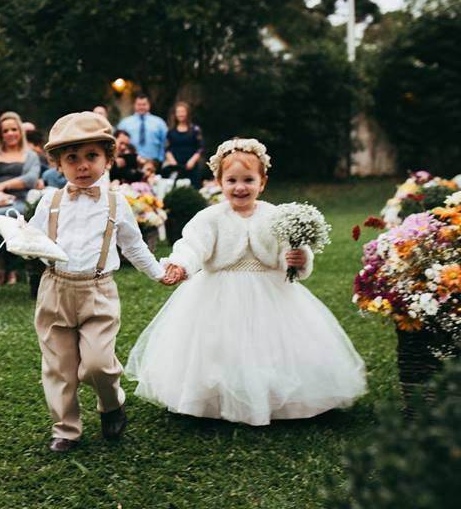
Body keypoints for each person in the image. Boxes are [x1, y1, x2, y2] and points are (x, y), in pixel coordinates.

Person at [125, 138, 366, 425]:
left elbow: (289, 251)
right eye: (232, 180)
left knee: (271, 346)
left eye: (248, 180)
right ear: (219, 182)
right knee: (218, 347)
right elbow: (193, 246)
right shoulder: (210, 217)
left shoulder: (276, 216)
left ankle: (273, 397)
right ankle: (215, 399)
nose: (240, 187)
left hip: (271, 291)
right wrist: (181, 264)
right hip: (218, 291)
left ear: (262, 183)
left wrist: (299, 258)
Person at [28, 111, 171, 453]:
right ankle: (66, 429)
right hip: (55, 288)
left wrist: (157, 272)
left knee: (97, 364)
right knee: (60, 367)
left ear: (108, 159)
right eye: (72, 158)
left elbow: (133, 245)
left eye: (91, 156)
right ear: (58, 164)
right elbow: (32, 236)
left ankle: (111, 402)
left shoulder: (116, 202)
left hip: (98, 291)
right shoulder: (51, 200)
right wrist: (22, 244)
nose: (82, 166)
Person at [0, 111, 41, 285]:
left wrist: (5, 186)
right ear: (1, 134)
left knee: (10, 217)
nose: (10, 134)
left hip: (17, 201)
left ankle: (9, 267)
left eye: (13, 129)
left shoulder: (30, 155)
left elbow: (30, 179)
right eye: (5, 131)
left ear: (20, 131)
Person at [116, 93, 168, 165]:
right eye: (139, 104)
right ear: (134, 105)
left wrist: (161, 159)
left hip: (153, 161)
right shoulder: (125, 123)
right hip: (130, 160)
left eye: (144, 104)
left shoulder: (159, 122)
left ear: (149, 105)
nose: (141, 107)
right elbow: (117, 142)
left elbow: (164, 142)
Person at [164, 101, 204, 187]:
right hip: (175, 165)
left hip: (191, 165)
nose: (180, 114)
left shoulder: (195, 130)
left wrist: (192, 161)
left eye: (183, 112)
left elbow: (200, 148)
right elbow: (167, 148)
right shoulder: (170, 131)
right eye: (178, 112)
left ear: (187, 113)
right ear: (175, 114)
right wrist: (172, 162)